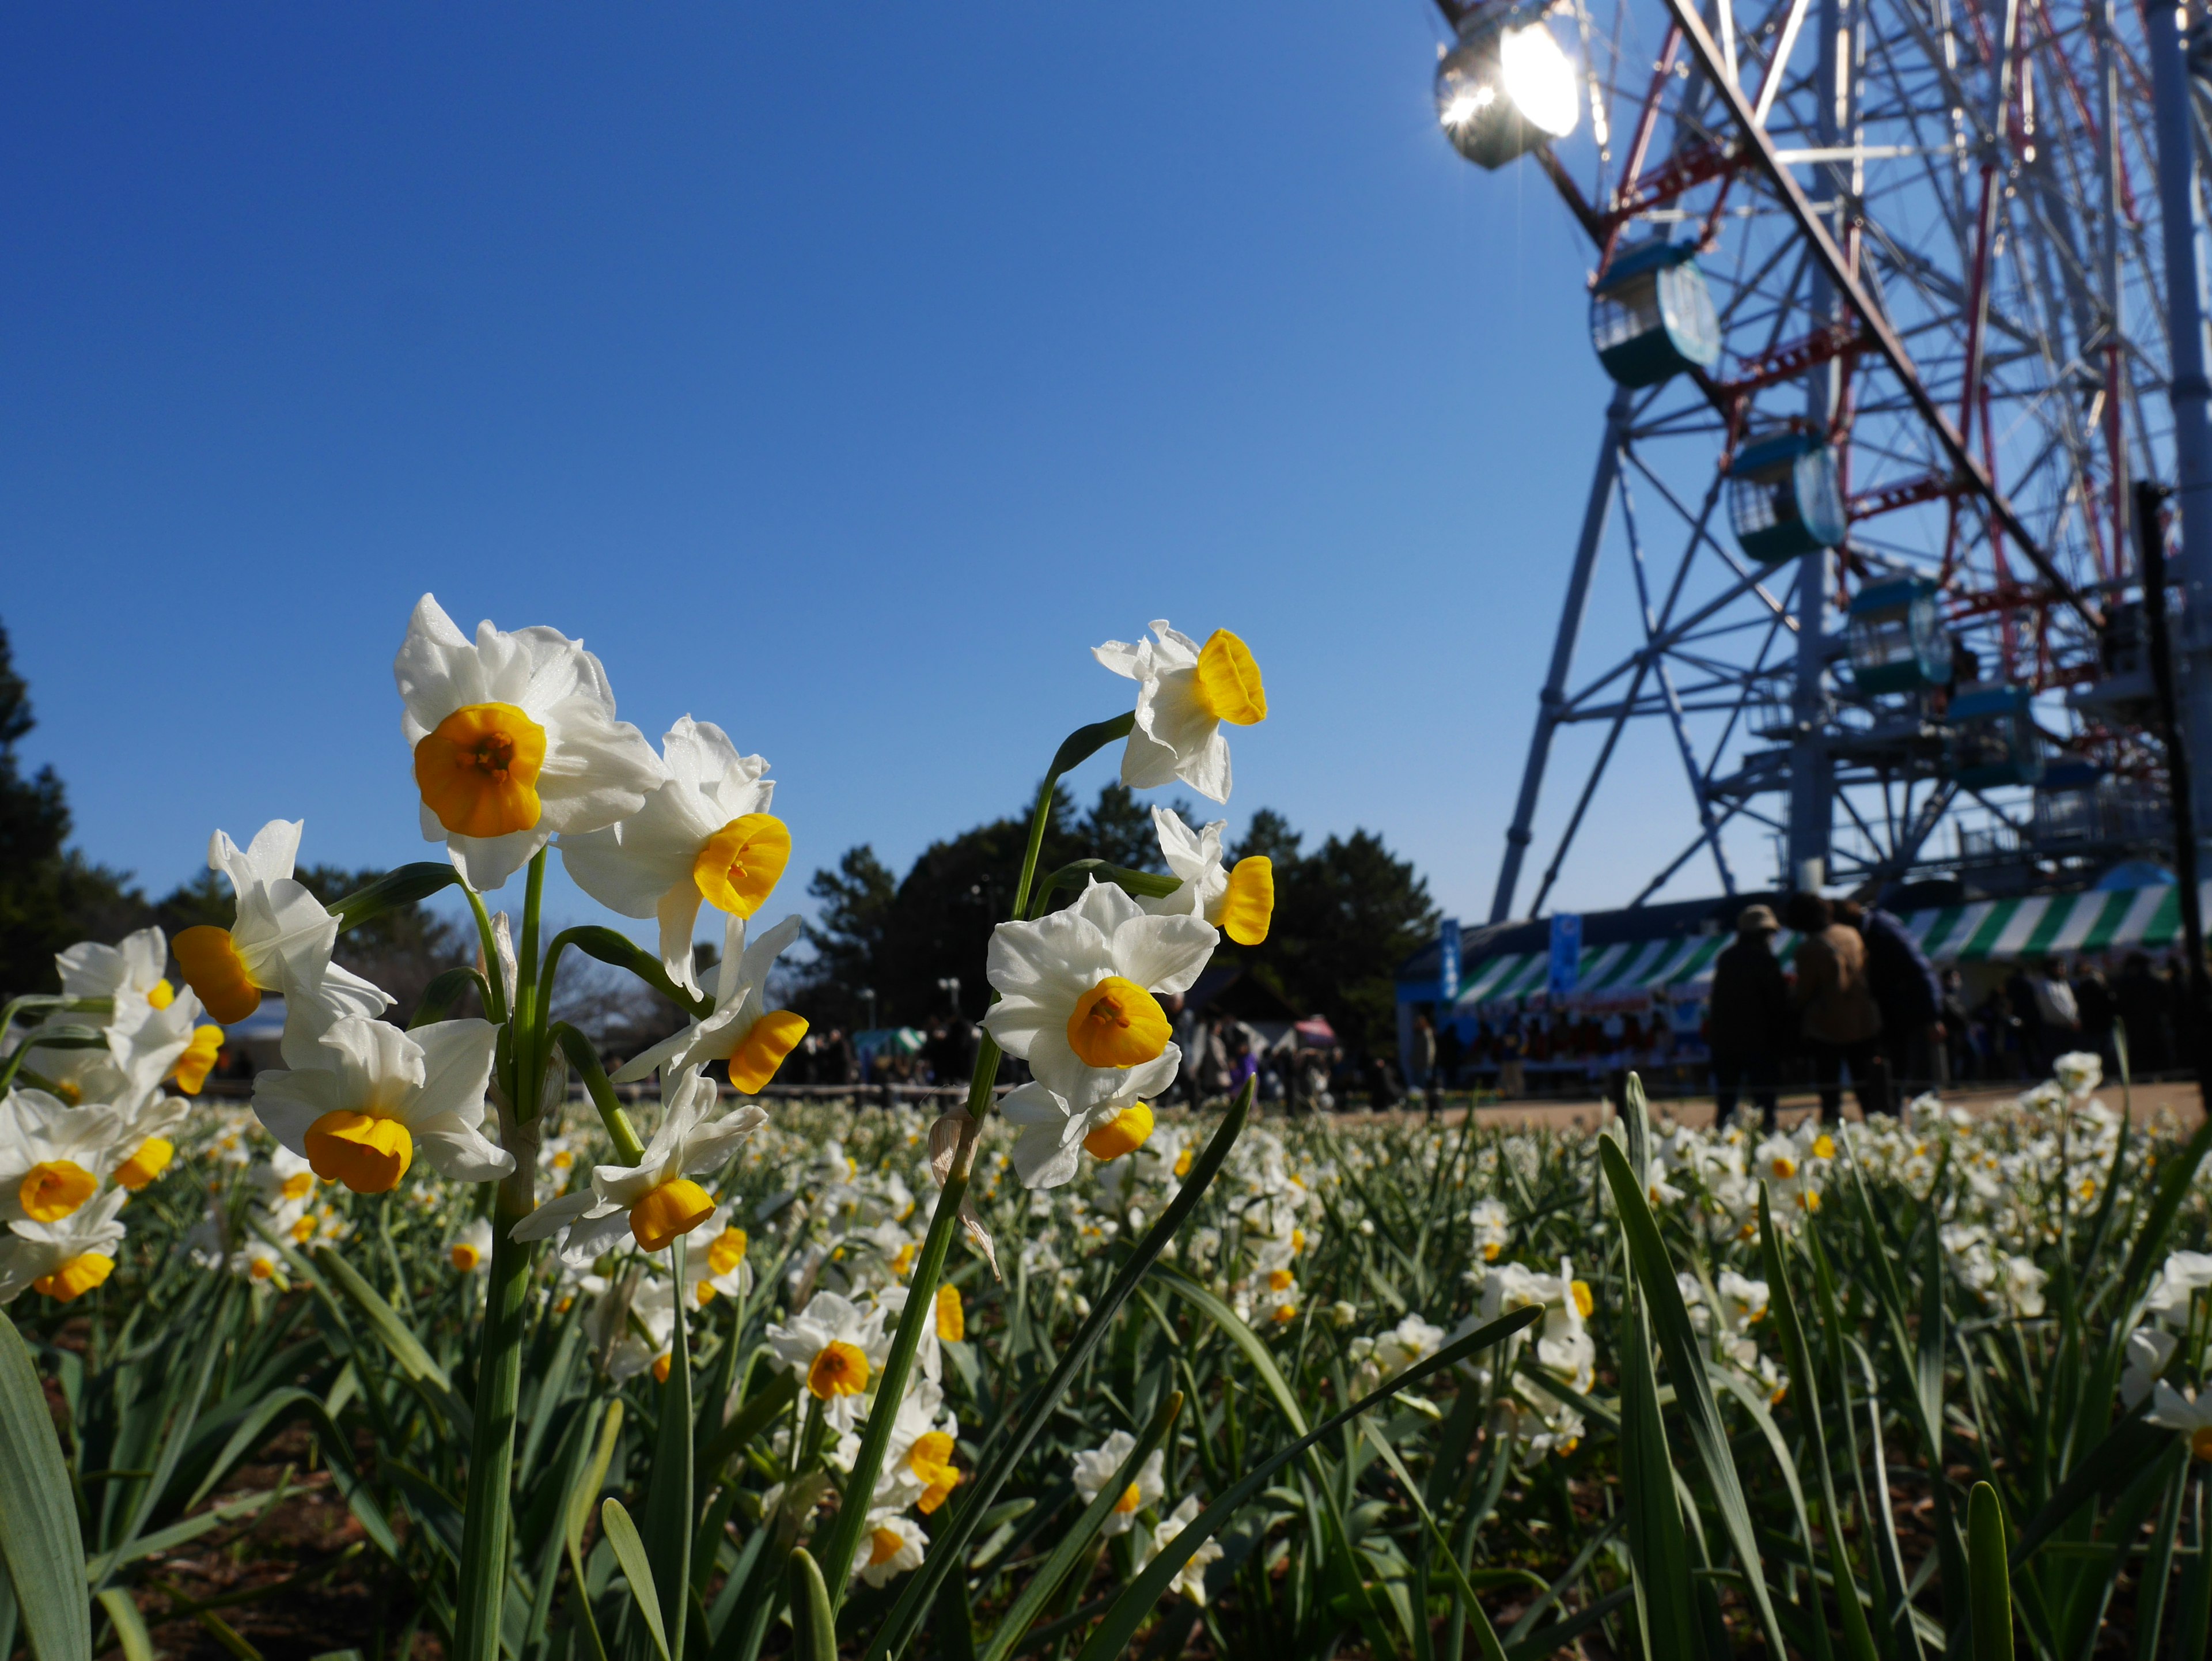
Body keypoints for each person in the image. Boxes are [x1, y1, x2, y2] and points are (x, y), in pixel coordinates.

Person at [1784, 891, 1887, 1122]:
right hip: (1864, 1020)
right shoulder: (1851, 934)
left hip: (1827, 1027)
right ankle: (1876, 1124)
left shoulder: (1809, 949)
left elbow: (1804, 993)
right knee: (1866, 1086)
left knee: (1830, 1089)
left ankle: (1833, 1125)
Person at [1838, 898, 1942, 1108]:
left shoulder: (1883, 929)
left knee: (1919, 1076)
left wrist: (1933, 1016)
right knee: (1898, 1076)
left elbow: (1920, 970)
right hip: (1893, 1016)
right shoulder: (1876, 927)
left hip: (1912, 1014)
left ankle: (1928, 1125)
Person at [1708, 903, 1790, 1129]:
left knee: (1726, 1103)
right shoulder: (1765, 961)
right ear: (1763, 934)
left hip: (1724, 1041)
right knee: (1765, 1104)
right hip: (1760, 1043)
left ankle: (1721, 1141)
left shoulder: (1726, 958)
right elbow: (1777, 1005)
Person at [2115, 952, 2172, 1074]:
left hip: (2135, 1023)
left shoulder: (2126, 983)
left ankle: (2142, 1071)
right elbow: (2166, 1002)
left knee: (2139, 1050)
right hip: (2155, 1021)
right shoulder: (2156, 981)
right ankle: (2161, 1071)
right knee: (2157, 1048)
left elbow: (2121, 1004)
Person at [1408, 1011, 1438, 1119]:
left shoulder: (1426, 1033)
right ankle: (1420, 1105)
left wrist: (1428, 1062)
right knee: (1418, 1087)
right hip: (1417, 1065)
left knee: (1425, 1085)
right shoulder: (1417, 1034)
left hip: (1424, 1065)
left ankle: (1427, 1106)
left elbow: (1430, 1050)